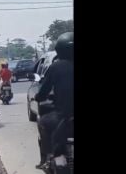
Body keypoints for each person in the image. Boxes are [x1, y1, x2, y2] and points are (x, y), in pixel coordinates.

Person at [34, 32, 74, 169]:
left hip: (64, 117)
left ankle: (48, 157)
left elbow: (43, 91)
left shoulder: (55, 67)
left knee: (42, 122)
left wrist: (39, 97)